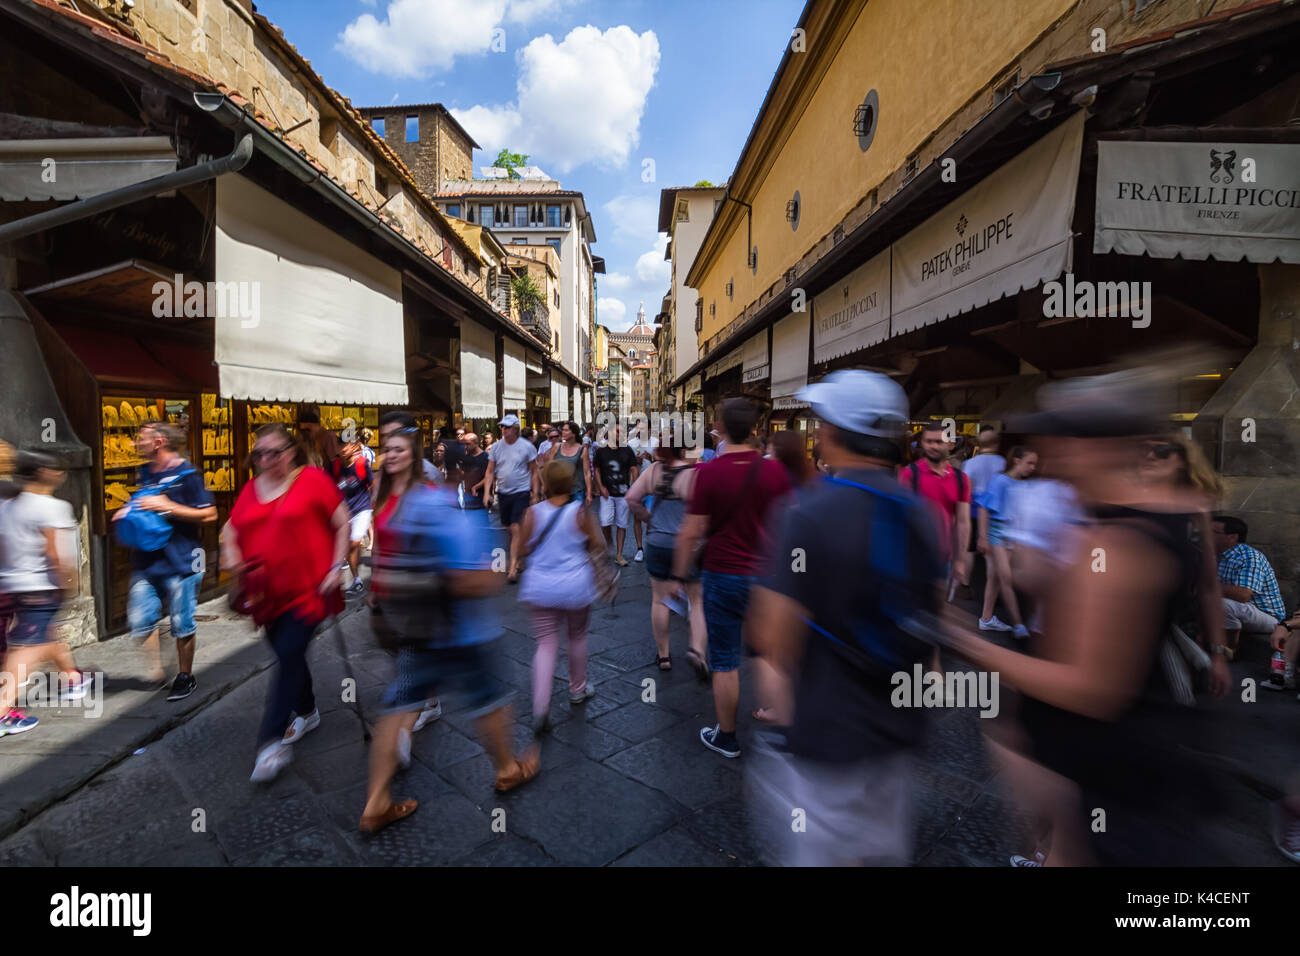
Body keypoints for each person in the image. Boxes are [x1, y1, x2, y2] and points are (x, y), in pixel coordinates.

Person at [948, 371, 1231, 866]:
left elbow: (1089, 688)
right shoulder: (1107, 518)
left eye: (1062, 439)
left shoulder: (1118, 543)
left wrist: (967, 643)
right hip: (1093, 762)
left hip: (1104, 764)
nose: (1049, 450)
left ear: (1098, 448)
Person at [746, 370, 942, 864]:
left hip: (826, 741)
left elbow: (773, 638)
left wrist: (782, 722)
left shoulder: (806, 514)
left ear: (831, 433)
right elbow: (932, 626)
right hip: (897, 737)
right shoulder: (919, 511)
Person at [361, 425, 537, 831]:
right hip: (461, 632)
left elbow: (387, 560)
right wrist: (494, 579)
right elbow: (465, 579)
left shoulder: (395, 505)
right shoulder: (438, 504)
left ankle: (375, 801)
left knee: (398, 709)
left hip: (416, 629)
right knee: (491, 698)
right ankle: (507, 768)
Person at [221, 424, 349, 783]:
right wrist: (231, 554)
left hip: (310, 589)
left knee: (290, 653)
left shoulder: (312, 480)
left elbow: (342, 523)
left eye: (273, 452)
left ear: (291, 452)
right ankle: (307, 711)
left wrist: (337, 567)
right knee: (287, 655)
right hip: (265, 594)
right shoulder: (251, 487)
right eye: (259, 453)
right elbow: (232, 528)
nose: (264, 460)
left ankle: (270, 742)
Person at [671, 398, 792, 759]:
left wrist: (679, 573)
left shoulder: (708, 473)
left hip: (722, 574)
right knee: (769, 653)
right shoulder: (775, 472)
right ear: (755, 429)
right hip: (767, 575)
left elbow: (691, 531)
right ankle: (784, 731)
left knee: (724, 659)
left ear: (719, 428)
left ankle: (726, 737)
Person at [118, 422, 215, 701]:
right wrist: (128, 511)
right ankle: (157, 673)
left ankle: (186, 675)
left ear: (159, 442)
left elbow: (209, 515)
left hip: (183, 560)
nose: (136, 443)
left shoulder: (189, 474)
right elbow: (143, 504)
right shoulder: (144, 472)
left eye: (141, 439)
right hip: (146, 561)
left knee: (182, 622)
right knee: (139, 619)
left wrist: (167, 506)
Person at [0, 451, 94, 736]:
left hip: (12, 584)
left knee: (45, 632)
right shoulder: (53, 507)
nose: (63, 475)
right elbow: (54, 552)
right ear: (46, 473)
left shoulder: (8, 505)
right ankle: (3, 710)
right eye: (59, 470)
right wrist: (68, 581)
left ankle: (71, 678)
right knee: (26, 650)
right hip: (42, 586)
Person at [518, 460, 605, 734]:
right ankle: (577, 688)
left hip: (541, 586)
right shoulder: (580, 513)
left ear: (545, 483)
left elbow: (521, 551)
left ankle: (541, 708)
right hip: (575, 586)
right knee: (577, 637)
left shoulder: (532, 514)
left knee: (545, 645)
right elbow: (598, 546)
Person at [627, 428, 708, 676]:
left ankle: (663, 656)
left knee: (659, 600)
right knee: (696, 600)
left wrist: (648, 518)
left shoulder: (654, 471)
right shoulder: (694, 476)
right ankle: (697, 651)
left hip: (658, 542)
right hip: (687, 544)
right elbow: (701, 516)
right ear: (684, 449)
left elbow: (631, 498)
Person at [900, 421, 971, 600]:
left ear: (950, 444)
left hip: (944, 559)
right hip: (913, 558)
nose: (932, 446)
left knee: (937, 609)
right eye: (928, 441)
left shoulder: (961, 479)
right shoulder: (910, 474)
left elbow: (962, 522)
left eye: (938, 442)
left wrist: (960, 561)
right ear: (922, 443)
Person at [973, 446, 1037, 638]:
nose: (1033, 467)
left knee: (995, 578)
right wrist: (982, 537)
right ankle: (1019, 624)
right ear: (1017, 461)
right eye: (1030, 463)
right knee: (1005, 578)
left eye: (1035, 464)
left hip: (1013, 534)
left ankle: (986, 618)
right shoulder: (999, 481)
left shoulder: (1023, 484)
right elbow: (984, 508)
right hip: (999, 533)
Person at [1212, 514, 1286, 660]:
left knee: (1220, 603)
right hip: (1242, 611)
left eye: (1213, 532)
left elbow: (1243, 595)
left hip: (1267, 616)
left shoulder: (1249, 557)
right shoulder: (1215, 555)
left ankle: (1230, 649)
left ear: (1232, 537)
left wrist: (1206, 586)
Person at [482, 414, 540, 584]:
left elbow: (534, 471)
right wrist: (487, 492)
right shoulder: (496, 447)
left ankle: (513, 567)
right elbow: (490, 471)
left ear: (515, 429)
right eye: (502, 427)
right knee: (508, 527)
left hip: (521, 491)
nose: (504, 430)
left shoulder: (526, 447)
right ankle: (518, 556)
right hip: (504, 492)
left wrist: (535, 493)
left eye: (507, 427)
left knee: (515, 527)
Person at [331, 436, 374, 597]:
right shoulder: (334, 466)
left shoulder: (362, 464)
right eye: (340, 445)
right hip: (344, 511)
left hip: (362, 509)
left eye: (346, 445)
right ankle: (356, 579)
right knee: (350, 548)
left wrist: (374, 506)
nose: (342, 449)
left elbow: (373, 485)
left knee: (354, 542)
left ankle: (357, 577)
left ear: (354, 446)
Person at [593, 426, 640, 566]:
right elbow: (596, 470)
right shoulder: (601, 451)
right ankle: (608, 545)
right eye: (618, 431)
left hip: (623, 493)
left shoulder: (627, 450)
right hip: (607, 493)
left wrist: (634, 487)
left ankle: (619, 554)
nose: (621, 434)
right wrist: (600, 487)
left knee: (622, 524)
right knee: (605, 522)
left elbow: (633, 469)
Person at [378, 411, 439, 483]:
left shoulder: (430, 475)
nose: (388, 440)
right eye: (384, 435)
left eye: (395, 434)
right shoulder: (383, 474)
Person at [541, 421, 592, 506]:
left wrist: (589, 494)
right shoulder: (557, 447)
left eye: (566, 430)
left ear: (574, 433)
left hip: (577, 491)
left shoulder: (582, 449)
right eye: (563, 430)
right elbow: (550, 468)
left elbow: (587, 473)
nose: (563, 432)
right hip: (559, 492)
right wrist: (545, 487)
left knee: (576, 518)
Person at [460, 432, 489, 513]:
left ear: (476, 443)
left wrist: (475, 487)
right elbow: (464, 474)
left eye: (468, 444)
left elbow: (489, 477)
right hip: (468, 496)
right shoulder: (466, 457)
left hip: (480, 496)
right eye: (464, 444)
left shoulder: (485, 457)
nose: (465, 447)